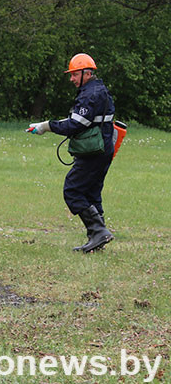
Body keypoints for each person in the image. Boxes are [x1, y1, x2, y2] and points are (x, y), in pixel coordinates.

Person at [27, 53, 115, 253]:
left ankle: (99, 232)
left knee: (72, 190)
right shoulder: (98, 90)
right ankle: (97, 239)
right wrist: (45, 125)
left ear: (87, 73)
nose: (71, 79)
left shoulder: (90, 95)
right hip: (103, 149)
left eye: (75, 74)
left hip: (93, 152)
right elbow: (83, 121)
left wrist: (46, 126)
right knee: (92, 193)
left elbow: (75, 125)